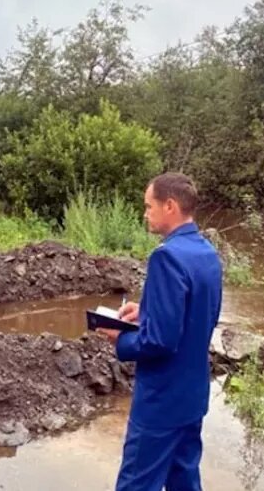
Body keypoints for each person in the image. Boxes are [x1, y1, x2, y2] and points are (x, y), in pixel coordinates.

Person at [96, 172, 222, 491]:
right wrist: (148, 311)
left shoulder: (166, 256)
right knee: (184, 479)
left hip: (161, 401)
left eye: (148, 206)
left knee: (136, 484)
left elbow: (160, 341)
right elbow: (198, 315)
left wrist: (120, 338)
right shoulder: (207, 253)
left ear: (169, 206)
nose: (145, 213)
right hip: (192, 396)